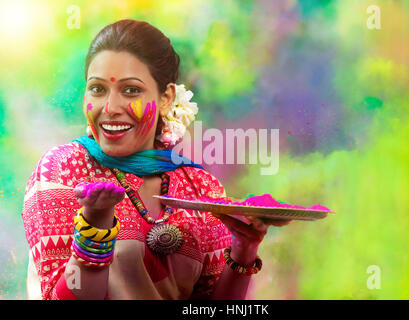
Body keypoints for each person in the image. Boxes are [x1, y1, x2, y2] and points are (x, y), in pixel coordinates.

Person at [21, 19, 290, 300]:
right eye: (98, 89)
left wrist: (243, 250)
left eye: (131, 90)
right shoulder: (65, 169)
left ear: (166, 97)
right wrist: (95, 228)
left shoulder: (200, 186)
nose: (110, 108)